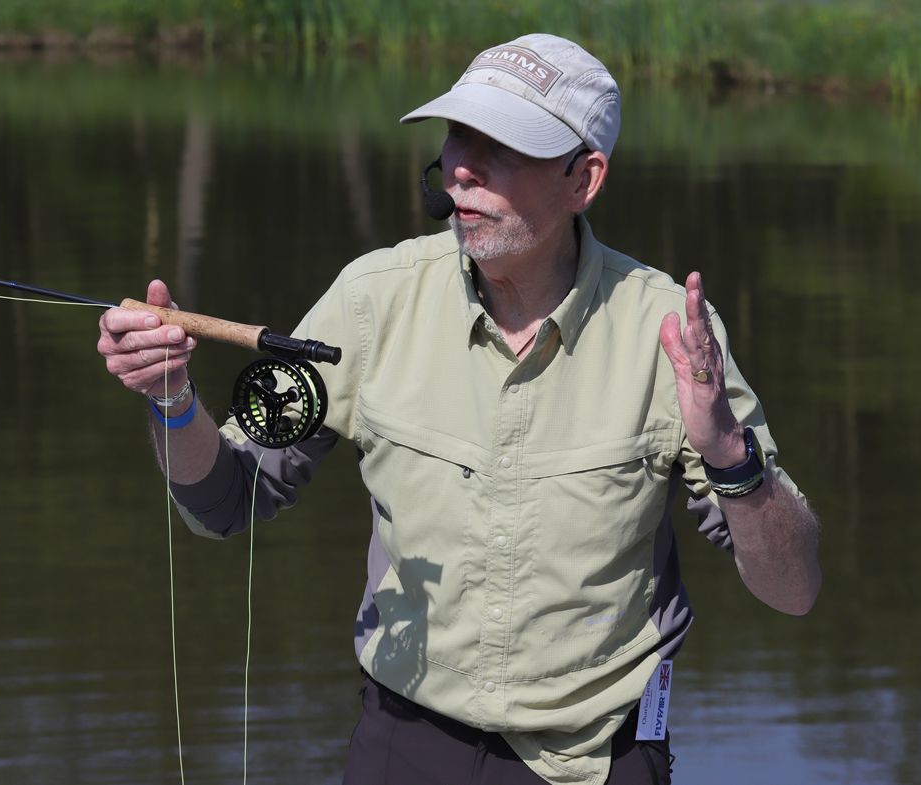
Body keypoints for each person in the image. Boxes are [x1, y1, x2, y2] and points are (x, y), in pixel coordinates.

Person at [97, 33, 820, 785]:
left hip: (600, 760)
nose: (461, 169)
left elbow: (792, 589)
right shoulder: (370, 298)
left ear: (585, 178)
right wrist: (173, 399)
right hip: (401, 746)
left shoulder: (671, 333)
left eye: (501, 147)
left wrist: (732, 456)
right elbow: (222, 499)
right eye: (456, 139)